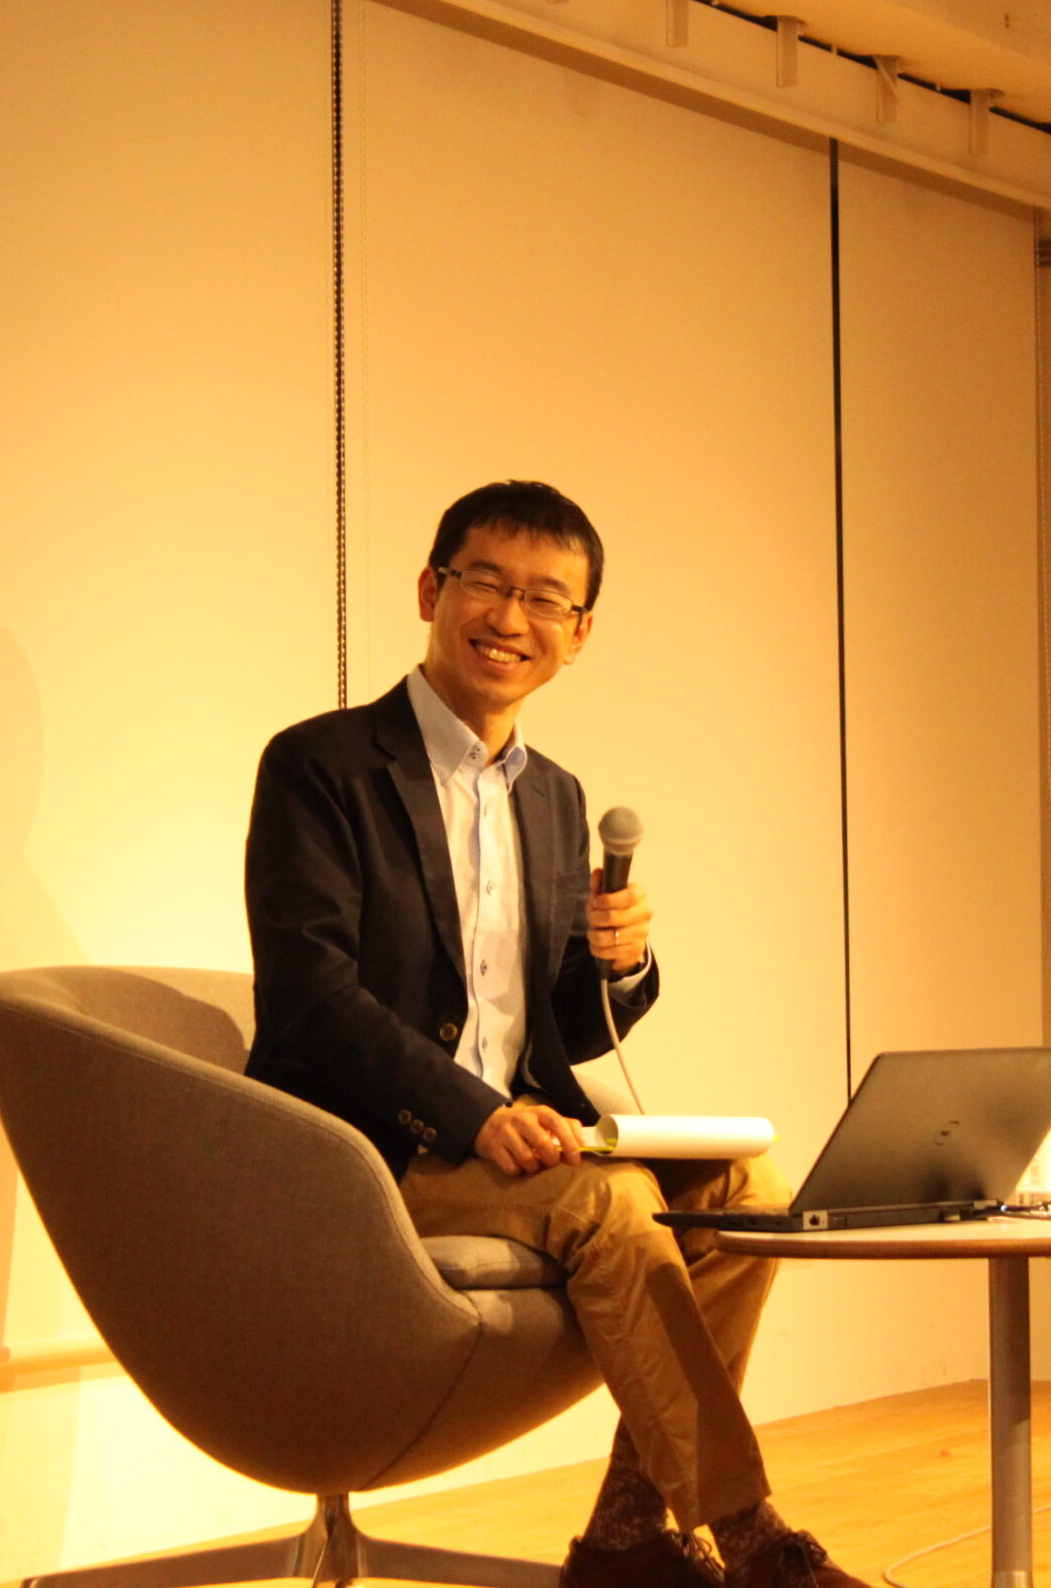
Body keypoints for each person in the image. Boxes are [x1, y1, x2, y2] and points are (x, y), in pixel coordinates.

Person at [244, 480, 871, 1588]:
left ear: (578, 635)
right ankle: (749, 1536)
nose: (508, 618)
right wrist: (474, 1115)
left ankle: (626, 1534)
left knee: (750, 1189)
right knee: (610, 1199)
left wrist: (620, 964)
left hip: (521, 1138)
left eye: (545, 599)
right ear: (431, 589)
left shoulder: (554, 796)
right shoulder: (320, 767)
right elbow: (310, 997)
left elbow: (562, 1027)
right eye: (484, 582)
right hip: (369, 1148)